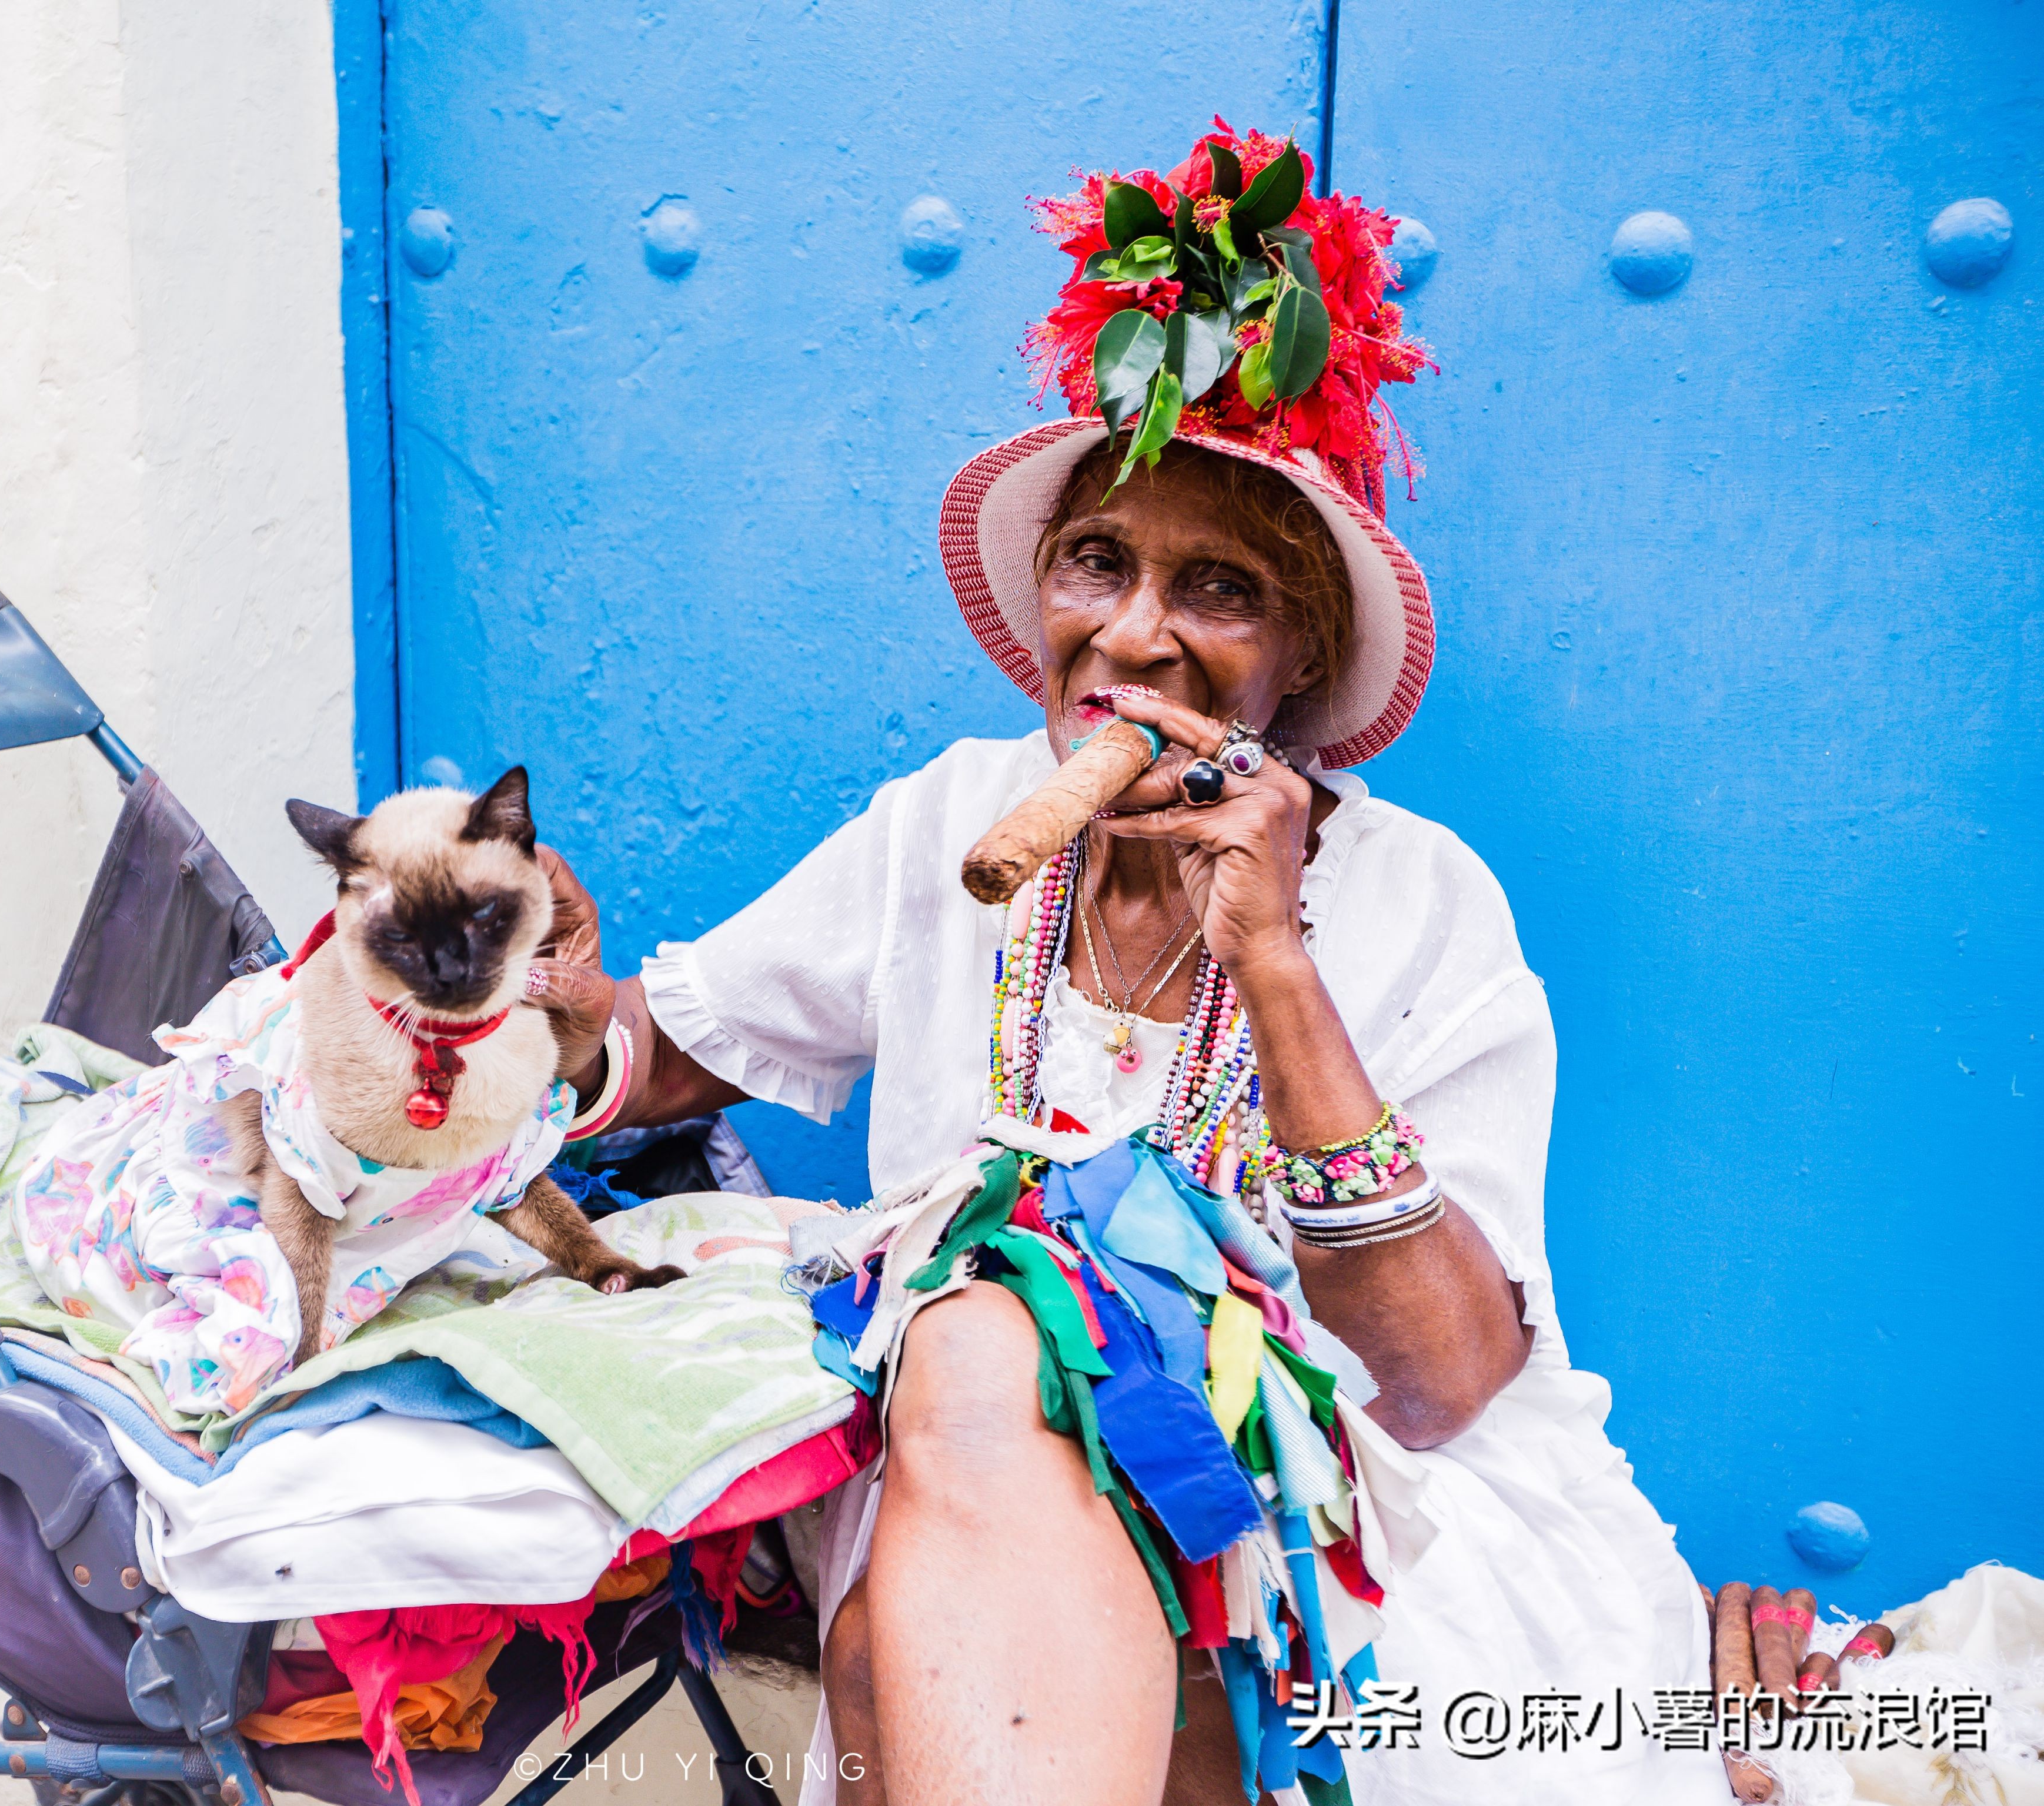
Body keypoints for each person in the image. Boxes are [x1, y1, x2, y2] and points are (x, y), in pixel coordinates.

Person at [519, 123, 1725, 1806]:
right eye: (1102, 563)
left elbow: (1444, 1387)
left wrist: (1282, 970)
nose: (1137, 634)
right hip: (978, 1475)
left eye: (1218, 589)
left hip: (1357, 1511)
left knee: (951, 1636)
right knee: (975, 1368)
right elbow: (666, 1052)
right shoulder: (961, 816)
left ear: (1299, 653)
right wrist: (559, 1029)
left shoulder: (1418, 901)